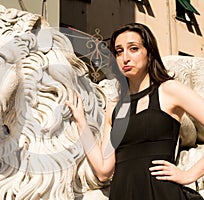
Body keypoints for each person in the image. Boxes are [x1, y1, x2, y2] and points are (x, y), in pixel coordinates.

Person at [66, 22, 204, 199]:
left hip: (162, 193)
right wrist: (81, 122)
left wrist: (189, 175)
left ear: (149, 53)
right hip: (123, 194)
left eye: (133, 48)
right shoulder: (114, 108)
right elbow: (103, 171)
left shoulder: (170, 90)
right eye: (119, 51)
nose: (125, 58)